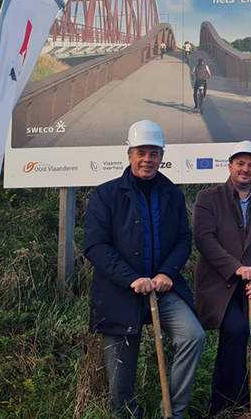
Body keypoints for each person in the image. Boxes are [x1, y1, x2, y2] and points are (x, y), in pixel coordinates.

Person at [84, 120, 205, 418]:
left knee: (194, 336)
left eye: (154, 153)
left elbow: (182, 239)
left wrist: (167, 273)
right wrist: (132, 279)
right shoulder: (105, 195)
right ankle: (127, 414)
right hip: (120, 294)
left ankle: (172, 411)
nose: (147, 159)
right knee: (120, 381)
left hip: (164, 290)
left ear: (161, 156)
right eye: (141, 152)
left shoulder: (172, 193)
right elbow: (96, 246)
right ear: (129, 153)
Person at [193, 141, 251, 416]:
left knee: (238, 338)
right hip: (219, 284)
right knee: (237, 330)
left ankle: (223, 405)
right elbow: (204, 239)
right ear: (230, 166)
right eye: (240, 164)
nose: (245, 169)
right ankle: (234, 402)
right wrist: (236, 268)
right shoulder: (208, 198)